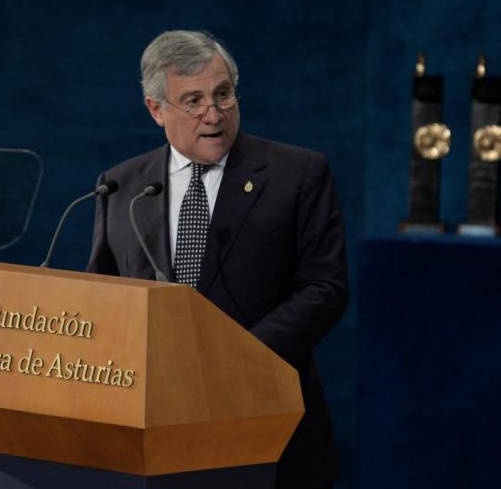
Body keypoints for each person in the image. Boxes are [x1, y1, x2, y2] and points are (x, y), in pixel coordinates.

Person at [87, 30, 348, 489]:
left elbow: (325, 289)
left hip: (265, 423)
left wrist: (234, 360)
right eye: (193, 101)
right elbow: (103, 297)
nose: (214, 114)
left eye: (223, 94)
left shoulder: (298, 175)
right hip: (152, 436)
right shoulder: (121, 186)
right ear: (156, 110)